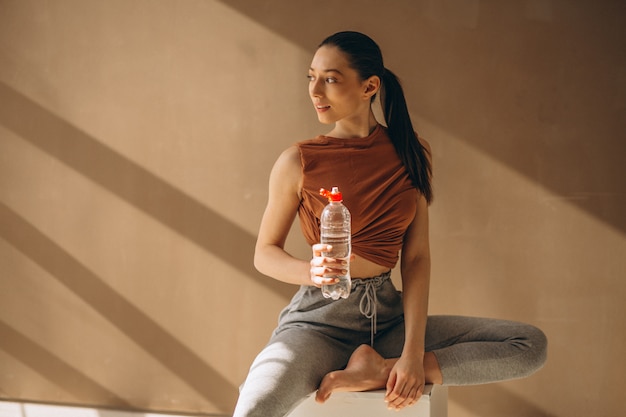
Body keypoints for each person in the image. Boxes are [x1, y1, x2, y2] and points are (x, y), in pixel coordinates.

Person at [232, 31, 547, 417]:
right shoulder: (298, 161)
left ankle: (377, 370)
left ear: (370, 86)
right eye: (310, 77)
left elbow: (415, 258)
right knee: (253, 410)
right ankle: (368, 366)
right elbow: (264, 254)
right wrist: (310, 271)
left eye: (330, 78)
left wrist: (412, 356)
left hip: (389, 323)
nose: (315, 90)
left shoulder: (411, 151)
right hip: (318, 325)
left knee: (529, 344)